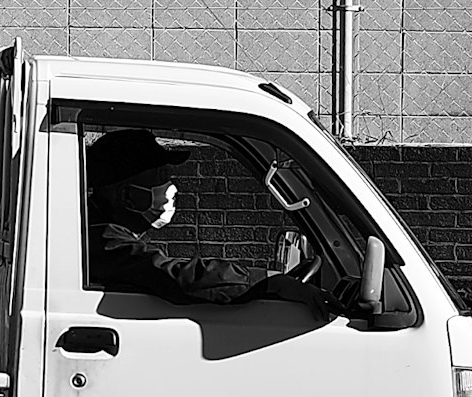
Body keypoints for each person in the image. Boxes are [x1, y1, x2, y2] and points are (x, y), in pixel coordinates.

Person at [85, 129, 320, 305]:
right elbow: (176, 278)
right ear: (126, 196)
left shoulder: (100, 231)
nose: (171, 187)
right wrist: (268, 281)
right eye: (161, 177)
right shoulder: (102, 241)